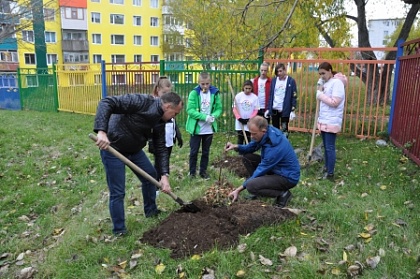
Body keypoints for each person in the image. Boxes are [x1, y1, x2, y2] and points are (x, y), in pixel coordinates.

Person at [93, 92, 183, 236]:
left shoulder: (161, 121)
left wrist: (164, 175)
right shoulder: (142, 102)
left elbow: (160, 148)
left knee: (150, 177)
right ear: (167, 106)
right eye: (175, 113)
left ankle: (151, 211)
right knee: (118, 191)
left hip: (134, 150)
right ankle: (119, 229)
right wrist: (101, 131)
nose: (174, 117)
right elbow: (107, 102)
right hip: (113, 148)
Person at [225, 116, 300, 208]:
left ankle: (283, 194)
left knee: (250, 186)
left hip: (287, 177)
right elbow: (251, 147)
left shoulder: (274, 147)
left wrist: (238, 190)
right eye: (250, 133)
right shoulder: (266, 133)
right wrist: (236, 146)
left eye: (254, 134)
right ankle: (259, 187)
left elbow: (260, 170)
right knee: (248, 158)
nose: (251, 136)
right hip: (276, 169)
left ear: (263, 131)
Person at [186, 72, 223, 179]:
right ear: (199, 83)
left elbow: (219, 108)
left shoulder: (215, 93)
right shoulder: (194, 93)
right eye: (203, 84)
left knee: (206, 152)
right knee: (194, 151)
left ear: (210, 82)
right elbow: (190, 110)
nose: (205, 86)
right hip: (196, 128)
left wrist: (213, 116)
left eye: (207, 84)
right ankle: (192, 173)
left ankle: (203, 172)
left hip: (208, 129)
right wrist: (204, 117)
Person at [149, 77, 183, 181]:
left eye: (168, 92)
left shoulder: (171, 107)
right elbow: (151, 128)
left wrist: (178, 134)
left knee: (165, 158)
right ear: (157, 90)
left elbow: (173, 121)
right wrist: (151, 141)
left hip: (168, 137)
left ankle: (163, 178)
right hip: (158, 139)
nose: (166, 95)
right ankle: (156, 183)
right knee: (158, 161)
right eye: (164, 92)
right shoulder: (154, 106)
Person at [316, 62, 346, 181]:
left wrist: (320, 95)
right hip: (324, 119)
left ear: (330, 71)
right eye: (320, 74)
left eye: (323, 73)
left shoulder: (337, 83)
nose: (322, 76)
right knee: (326, 147)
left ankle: (330, 173)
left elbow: (335, 102)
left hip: (332, 120)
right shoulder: (327, 83)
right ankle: (326, 167)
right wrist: (321, 90)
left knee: (330, 147)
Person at [265, 63, 298, 138]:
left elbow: (294, 96)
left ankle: (284, 145)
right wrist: (268, 109)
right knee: (275, 129)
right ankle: (276, 144)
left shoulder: (290, 81)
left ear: (284, 70)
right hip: (275, 109)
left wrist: (293, 110)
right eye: (277, 72)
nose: (279, 73)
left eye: (280, 71)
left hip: (285, 109)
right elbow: (271, 95)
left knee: (284, 129)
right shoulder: (274, 81)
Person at [233, 80, 259, 144]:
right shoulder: (238, 96)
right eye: (246, 88)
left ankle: (247, 152)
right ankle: (240, 152)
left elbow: (256, 110)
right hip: (240, 121)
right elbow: (234, 108)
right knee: (240, 138)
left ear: (252, 88)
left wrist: (249, 119)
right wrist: (239, 118)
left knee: (248, 137)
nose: (247, 90)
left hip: (249, 121)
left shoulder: (254, 97)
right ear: (243, 88)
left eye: (249, 88)